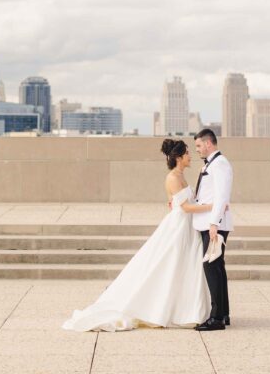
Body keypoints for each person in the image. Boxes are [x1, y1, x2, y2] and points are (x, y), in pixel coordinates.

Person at [62, 138, 211, 331]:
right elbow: (185, 207)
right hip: (178, 227)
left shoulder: (181, 176)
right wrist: (211, 207)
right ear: (179, 157)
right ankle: (158, 309)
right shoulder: (172, 178)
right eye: (187, 153)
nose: (191, 156)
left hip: (187, 227)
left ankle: (185, 310)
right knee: (168, 265)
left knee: (183, 267)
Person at [190, 128, 233, 330]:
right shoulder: (213, 164)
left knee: (211, 266)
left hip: (214, 225)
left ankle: (216, 318)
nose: (197, 149)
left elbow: (222, 195)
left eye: (199, 145)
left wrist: (214, 223)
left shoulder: (220, 164)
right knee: (217, 267)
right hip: (210, 223)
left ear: (208, 143)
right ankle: (223, 314)